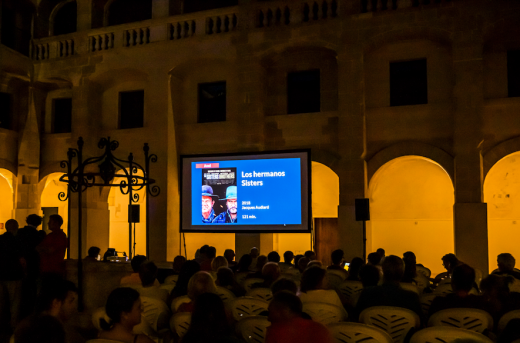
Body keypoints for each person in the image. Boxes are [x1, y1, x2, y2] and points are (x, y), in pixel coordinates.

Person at [355, 255, 423, 324]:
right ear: (402, 273)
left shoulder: (367, 293)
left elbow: (356, 319)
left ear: (383, 272)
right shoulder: (412, 298)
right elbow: (421, 324)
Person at [266, 291, 333, 343]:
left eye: (271, 312)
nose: (268, 318)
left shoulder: (275, 331)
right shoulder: (321, 329)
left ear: (284, 311)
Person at [0, 219, 24, 331]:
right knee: (14, 302)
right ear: (16, 227)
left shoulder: (0, 239)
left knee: (1, 301)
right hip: (14, 275)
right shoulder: (16, 241)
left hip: (1, 274)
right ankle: (13, 324)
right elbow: (21, 258)